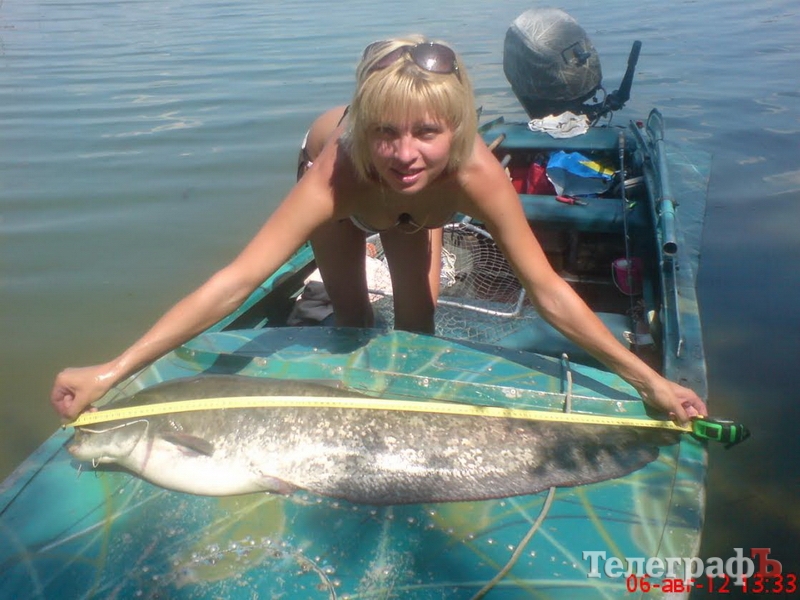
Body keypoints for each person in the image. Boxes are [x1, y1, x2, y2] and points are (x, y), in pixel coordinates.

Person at [51, 36, 708, 424]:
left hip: (416, 209)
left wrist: (646, 381)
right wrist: (110, 371)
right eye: (385, 131)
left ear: (457, 129)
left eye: (427, 131)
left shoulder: (476, 173)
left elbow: (548, 291)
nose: (405, 153)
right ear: (366, 129)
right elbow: (237, 281)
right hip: (351, 199)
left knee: (418, 325)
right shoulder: (336, 173)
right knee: (352, 323)